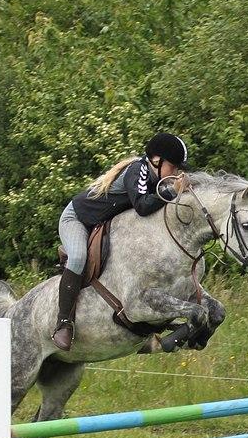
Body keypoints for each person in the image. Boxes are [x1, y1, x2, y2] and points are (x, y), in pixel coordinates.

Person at [52, 132, 188, 350]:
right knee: (78, 257)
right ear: (157, 160)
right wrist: (172, 191)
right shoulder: (138, 170)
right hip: (77, 219)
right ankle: (63, 323)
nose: (176, 173)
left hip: (100, 226)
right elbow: (143, 207)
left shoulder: (154, 178)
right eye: (174, 166)